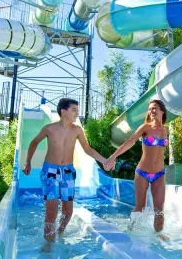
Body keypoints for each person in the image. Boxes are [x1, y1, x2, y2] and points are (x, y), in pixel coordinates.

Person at [22, 98, 114, 241]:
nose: (77, 113)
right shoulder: (49, 129)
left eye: (77, 110)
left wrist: (104, 161)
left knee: (68, 211)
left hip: (68, 173)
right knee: (51, 213)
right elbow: (34, 143)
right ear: (63, 111)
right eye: (74, 110)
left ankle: (60, 232)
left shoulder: (77, 130)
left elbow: (87, 149)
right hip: (50, 173)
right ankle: (48, 247)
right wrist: (28, 162)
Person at [106, 99, 168, 233]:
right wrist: (113, 156)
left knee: (159, 210)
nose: (151, 111)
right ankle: (130, 231)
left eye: (154, 108)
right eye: (150, 109)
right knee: (140, 207)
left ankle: (158, 238)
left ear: (162, 110)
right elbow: (130, 142)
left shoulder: (165, 130)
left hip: (159, 174)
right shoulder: (145, 127)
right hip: (142, 173)